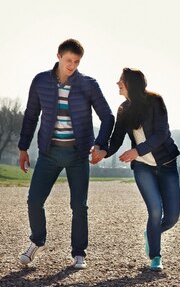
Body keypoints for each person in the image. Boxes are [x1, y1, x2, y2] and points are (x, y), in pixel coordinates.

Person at [17, 38, 114, 269]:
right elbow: (31, 116)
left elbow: (108, 116)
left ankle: (79, 253)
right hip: (49, 153)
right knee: (34, 200)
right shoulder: (41, 81)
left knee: (79, 206)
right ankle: (37, 241)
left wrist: (101, 145)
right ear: (59, 56)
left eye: (77, 61)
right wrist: (23, 148)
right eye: (69, 60)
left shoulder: (88, 84)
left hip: (78, 154)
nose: (72, 65)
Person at [92, 68, 180, 271]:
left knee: (173, 217)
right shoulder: (124, 109)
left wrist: (137, 150)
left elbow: (161, 134)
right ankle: (155, 257)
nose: (117, 83)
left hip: (166, 164)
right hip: (142, 167)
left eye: (121, 80)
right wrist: (103, 153)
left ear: (131, 83)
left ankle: (151, 233)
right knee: (155, 210)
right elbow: (116, 139)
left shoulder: (156, 101)